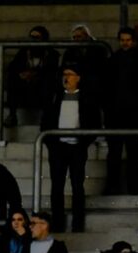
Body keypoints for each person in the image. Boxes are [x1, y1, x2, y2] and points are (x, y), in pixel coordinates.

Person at [42, 65, 102, 233]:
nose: (66, 78)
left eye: (70, 74)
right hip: (58, 148)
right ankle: (57, 223)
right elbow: (45, 123)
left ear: (78, 78)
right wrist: (52, 144)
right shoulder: (55, 97)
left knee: (77, 185)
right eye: (64, 74)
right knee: (57, 186)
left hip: (77, 148)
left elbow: (94, 124)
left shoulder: (87, 99)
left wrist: (82, 142)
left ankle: (77, 224)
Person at [104, 30, 138, 194]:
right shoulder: (112, 61)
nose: (125, 43)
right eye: (122, 40)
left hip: (134, 114)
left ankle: (134, 188)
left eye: (128, 40)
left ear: (134, 41)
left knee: (134, 153)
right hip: (115, 114)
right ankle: (113, 187)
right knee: (114, 153)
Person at [5, 26, 60, 126]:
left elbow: (52, 71)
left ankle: (46, 118)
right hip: (25, 91)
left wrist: (35, 74)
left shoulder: (52, 54)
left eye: (37, 37)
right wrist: (21, 74)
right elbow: (12, 67)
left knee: (48, 80)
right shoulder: (23, 52)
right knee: (12, 78)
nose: (33, 40)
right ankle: (12, 115)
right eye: (31, 37)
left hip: (42, 92)